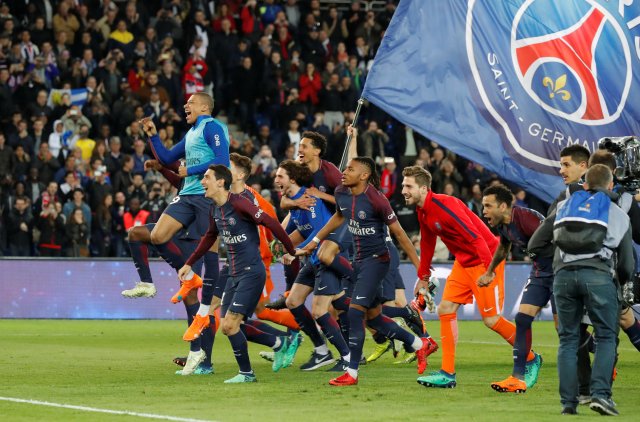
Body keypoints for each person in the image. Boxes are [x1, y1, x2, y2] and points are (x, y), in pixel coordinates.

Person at [297, 157, 433, 386]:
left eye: (350, 169)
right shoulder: (341, 191)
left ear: (363, 176)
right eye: (346, 167)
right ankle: (421, 344)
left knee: (354, 312)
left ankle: (351, 372)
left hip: (378, 261)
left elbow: (400, 235)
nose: (344, 171)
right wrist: (316, 240)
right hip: (358, 260)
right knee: (376, 319)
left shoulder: (376, 200)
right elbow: (339, 216)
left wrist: (423, 272)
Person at [401, 166, 527, 389]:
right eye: (403, 185)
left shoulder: (445, 205)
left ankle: (530, 357)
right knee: (445, 309)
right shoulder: (423, 211)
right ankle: (447, 374)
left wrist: (489, 271)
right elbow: (428, 242)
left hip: (485, 258)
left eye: (408, 186)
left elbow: (477, 238)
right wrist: (423, 276)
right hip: (463, 262)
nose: (403, 190)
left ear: (423, 188)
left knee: (491, 320)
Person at [529, 164, 634, 416]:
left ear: (585, 184)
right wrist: (620, 287)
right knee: (606, 337)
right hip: (598, 275)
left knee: (568, 340)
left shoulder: (565, 206)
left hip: (563, 277)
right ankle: (601, 395)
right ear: (610, 186)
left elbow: (535, 242)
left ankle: (569, 403)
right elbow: (627, 263)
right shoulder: (617, 213)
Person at [178, 165, 297, 383]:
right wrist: (189, 263)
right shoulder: (215, 208)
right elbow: (209, 237)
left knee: (232, 324)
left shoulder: (241, 203)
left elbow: (270, 222)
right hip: (234, 274)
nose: (202, 181)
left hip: (251, 272)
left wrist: (290, 250)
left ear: (221, 182)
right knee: (228, 326)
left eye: (206, 178)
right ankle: (277, 344)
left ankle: (247, 373)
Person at [135, 92, 229, 308]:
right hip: (187, 195)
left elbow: (222, 160)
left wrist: (190, 170)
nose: (186, 106)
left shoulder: (212, 127)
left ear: (205, 108)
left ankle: (208, 308)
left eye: (191, 103)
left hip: (208, 196)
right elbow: (168, 159)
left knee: (210, 251)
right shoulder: (192, 132)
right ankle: (189, 278)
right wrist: (153, 136)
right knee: (158, 235)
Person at [277, 159, 352, 372]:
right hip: (313, 260)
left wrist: (297, 251)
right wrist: (284, 246)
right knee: (293, 301)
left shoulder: (309, 199)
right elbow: (299, 229)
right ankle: (321, 350)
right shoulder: (295, 203)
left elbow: (320, 230)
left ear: (292, 179)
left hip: (325, 256)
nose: (276, 180)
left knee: (321, 310)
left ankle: (347, 358)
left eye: (280, 176)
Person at [479, 184, 548, 393]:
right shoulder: (504, 225)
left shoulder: (526, 219)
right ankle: (517, 377)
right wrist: (490, 271)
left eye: (488, 206)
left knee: (567, 329)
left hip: (560, 271)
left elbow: (557, 242)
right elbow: (504, 246)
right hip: (539, 273)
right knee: (523, 318)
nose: (484, 212)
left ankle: (604, 356)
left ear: (502, 206)